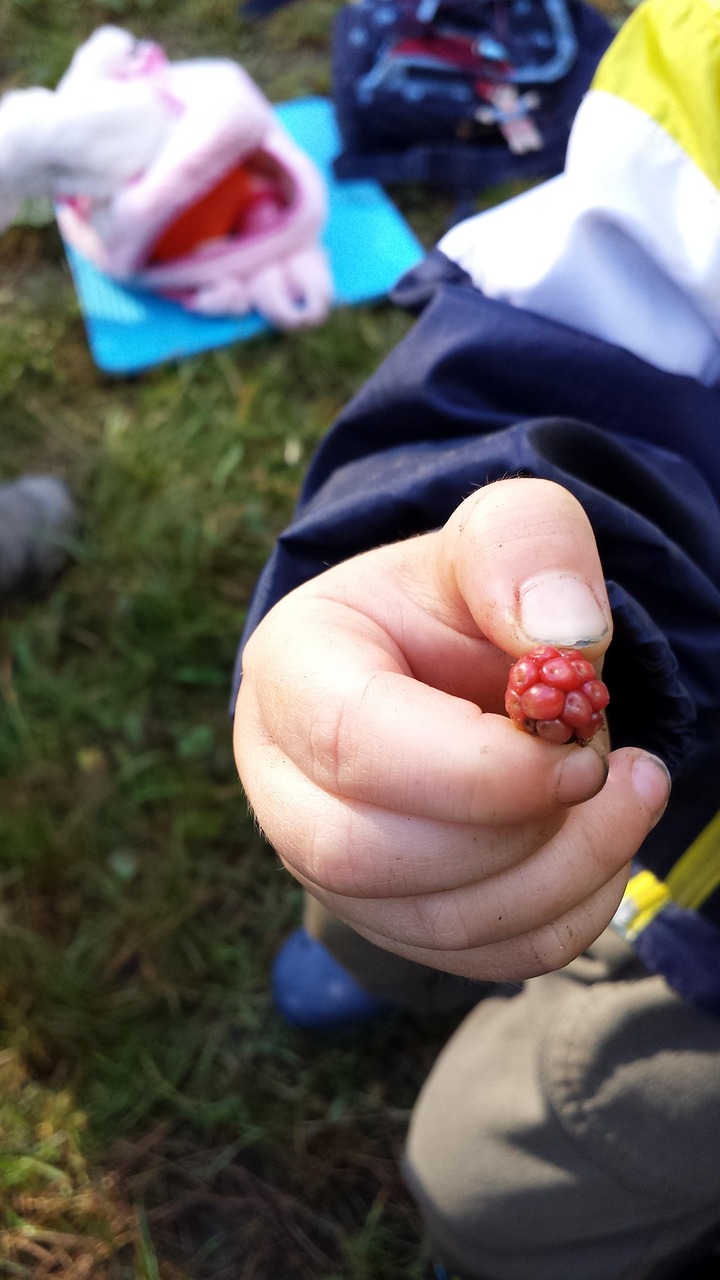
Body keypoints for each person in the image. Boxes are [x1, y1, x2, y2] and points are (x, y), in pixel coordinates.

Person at [232, 2, 720, 1277]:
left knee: (489, 1171)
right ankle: (393, 938)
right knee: (404, 802)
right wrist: (424, 542)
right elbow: (568, 351)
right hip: (673, 719)